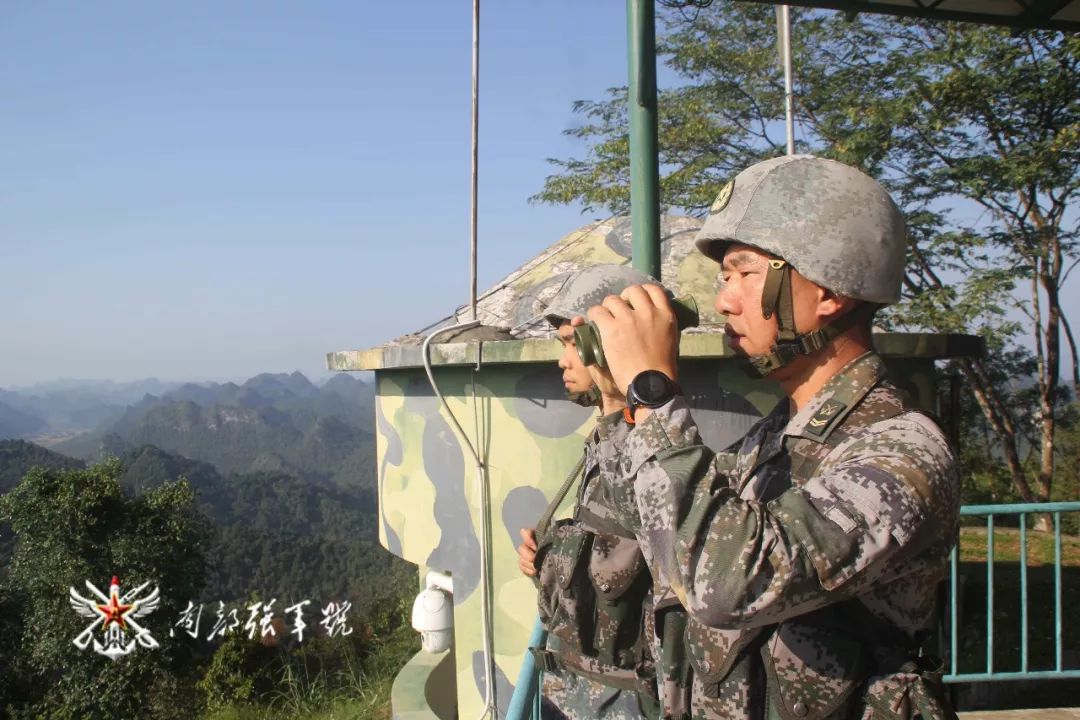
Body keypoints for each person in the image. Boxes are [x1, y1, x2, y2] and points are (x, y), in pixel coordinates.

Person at [582, 155, 960, 719]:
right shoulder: (773, 438)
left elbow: (727, 583)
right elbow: (671, 535)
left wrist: (655, 393)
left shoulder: (904, 451)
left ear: (829, 291)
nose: (723, 301)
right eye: (724, 278)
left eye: (744, 273)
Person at [517, 264, 664, 720]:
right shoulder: (608, 436)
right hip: (584, 690)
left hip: (623, 700)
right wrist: (550, 546)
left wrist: (549, 560)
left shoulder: (645, 445)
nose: (562, 359)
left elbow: (622, 572)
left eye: (568, 342)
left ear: (600, 341)